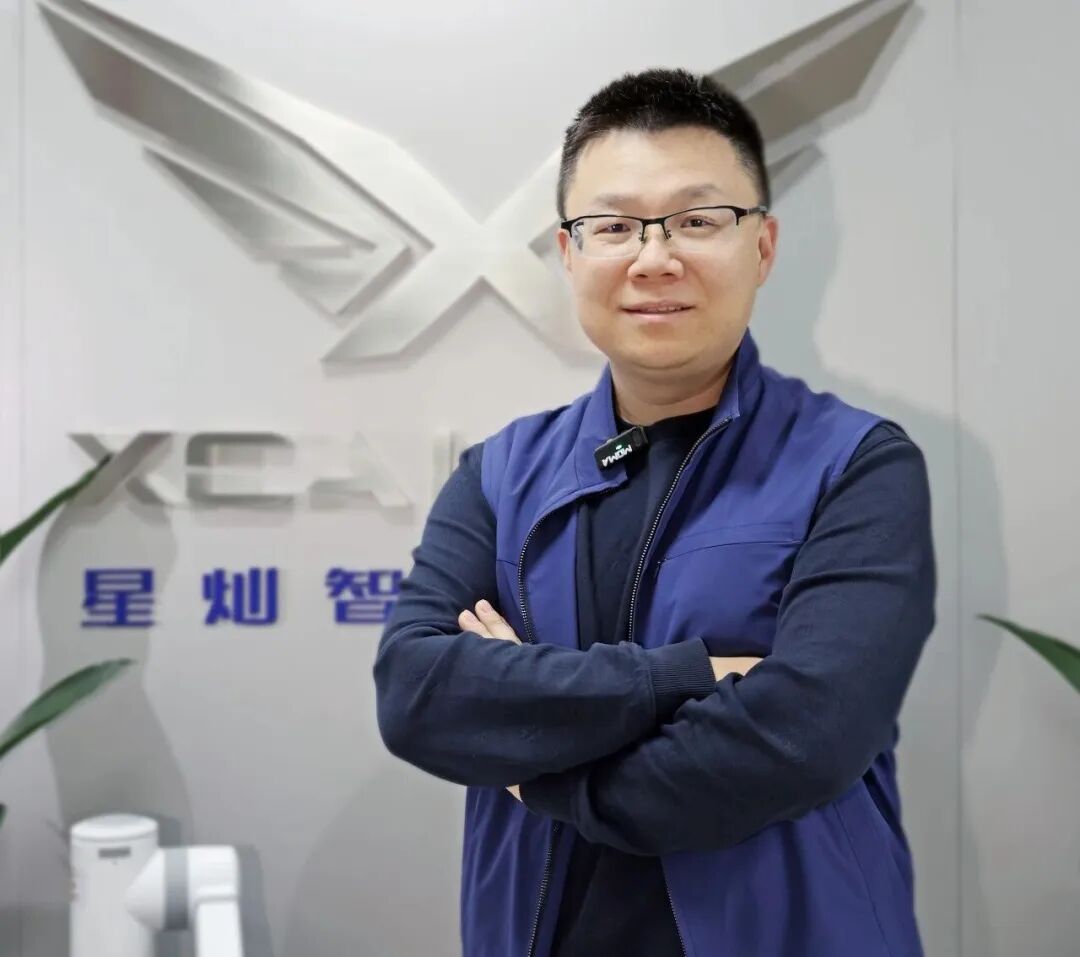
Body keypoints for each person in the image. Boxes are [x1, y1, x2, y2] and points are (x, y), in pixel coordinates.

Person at [374, 68, 935, 957]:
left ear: (762, 246)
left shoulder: (857, 464)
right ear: (568, 253)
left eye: (697, 220)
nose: (653, 257)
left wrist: (545, 775)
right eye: (614, 226)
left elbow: (803, 735)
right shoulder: (499, 474)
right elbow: (418, 694)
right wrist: (689, 676)